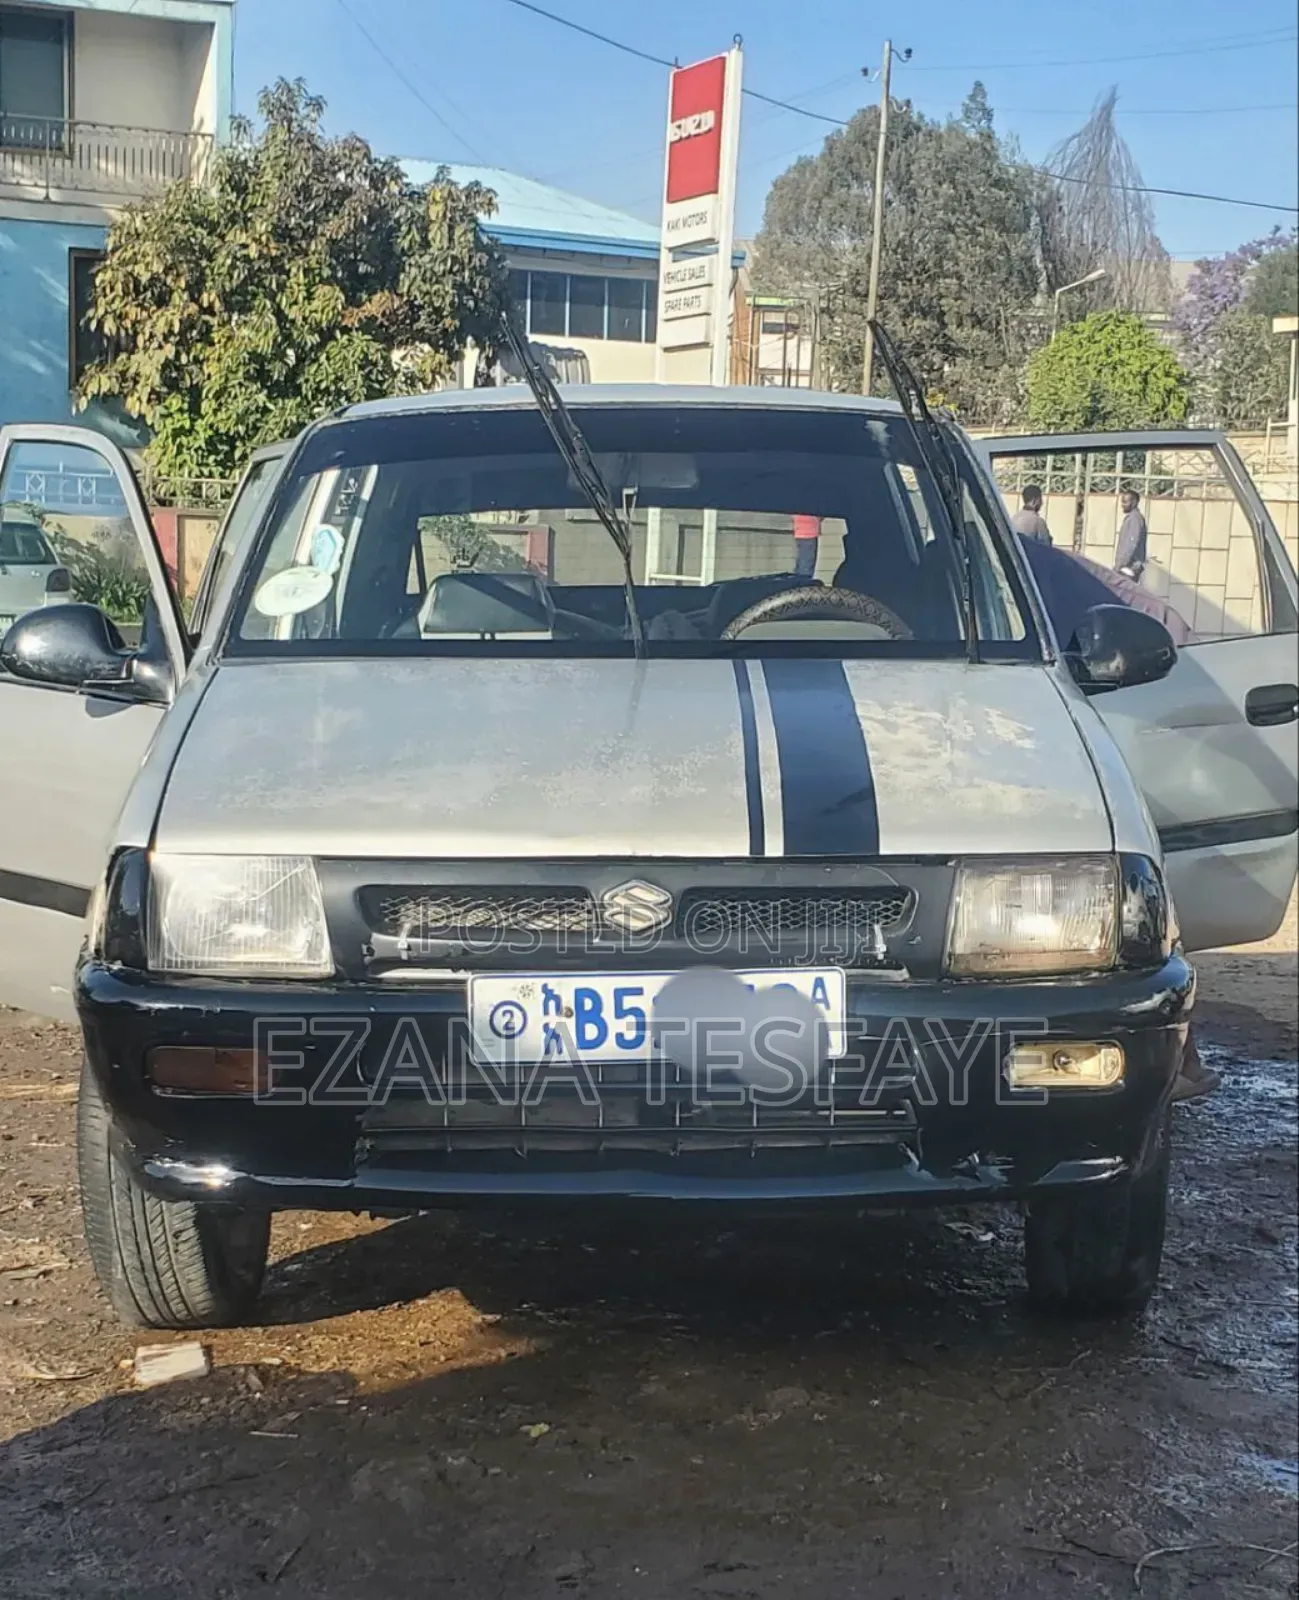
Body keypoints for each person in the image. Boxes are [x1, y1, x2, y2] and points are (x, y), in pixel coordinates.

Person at [1115, 489, 1148, 579]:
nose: (1122, 505)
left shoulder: (1135, 519)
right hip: (1128, 567)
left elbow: (1131, 543)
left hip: (1129, 568)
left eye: (1125, 502)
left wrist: (1120, 565)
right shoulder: (1133, 518)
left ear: (1134, 502)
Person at [792, 514, 821, 579]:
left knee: (801, 565)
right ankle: (803, 585)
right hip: (808, 533)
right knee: (806, 567)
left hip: (801, 532)